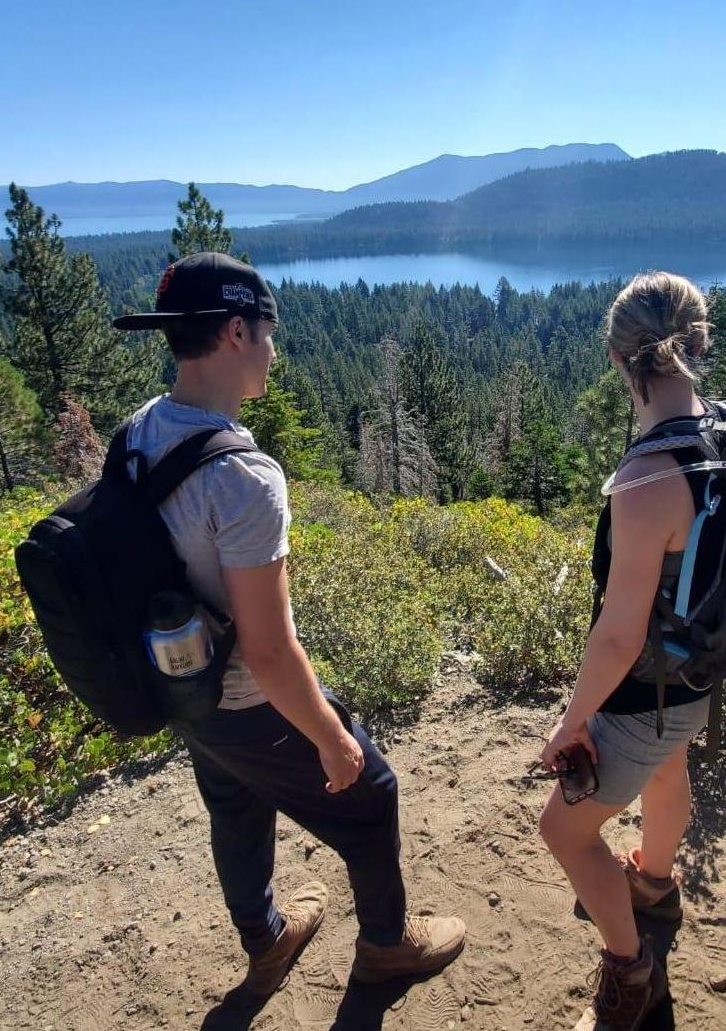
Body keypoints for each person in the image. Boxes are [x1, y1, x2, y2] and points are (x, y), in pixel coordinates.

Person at [112, 253, 465, 996]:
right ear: (236, 331)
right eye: (269, 332)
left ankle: (265, 939)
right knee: (372, 794)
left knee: (236, 803)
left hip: (182, 685)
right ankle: (387, 946)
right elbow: (270, 651)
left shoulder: (138, 431)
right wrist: (334, 742)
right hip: (245, 698)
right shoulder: (241, 478)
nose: (275, 348)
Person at [538, 271, 715, 1031]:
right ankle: (655, 884)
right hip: (699, 683)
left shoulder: (646, 478)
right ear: (700, 345)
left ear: (616, 357)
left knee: (564, 832)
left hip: (641, 700)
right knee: (667, 770)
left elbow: (617, 635)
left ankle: (629, 973)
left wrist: (570, 724)